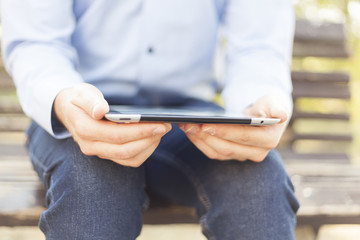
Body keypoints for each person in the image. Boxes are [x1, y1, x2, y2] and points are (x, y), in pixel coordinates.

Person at [1, 0, 299, 239]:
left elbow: (257, 47)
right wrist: (65, 99)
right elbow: (37, 42)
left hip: (189, 118)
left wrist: (258, 101)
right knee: (91, 180)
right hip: (80, 108)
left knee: (257, 179)